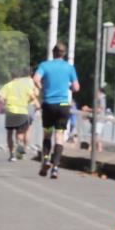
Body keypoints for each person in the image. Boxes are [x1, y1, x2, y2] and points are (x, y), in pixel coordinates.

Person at [33, 43, 80, 179]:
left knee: (47, 134)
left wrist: (42, 87)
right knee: (59, 136)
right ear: (64, 54)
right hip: (64, 105)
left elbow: (36, 79)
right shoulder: (69, 68)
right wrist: (69, 87)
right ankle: (56, 167)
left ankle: (46, 159)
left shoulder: (45, 65)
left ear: (53, 53)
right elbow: (76, 87)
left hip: (48, 104)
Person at [0, 67, 40, 162]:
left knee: (9, 134)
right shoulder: (24, 86)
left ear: (11, 76)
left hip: (10, 112)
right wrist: (36, 105)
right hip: (22, 112)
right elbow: (34, 96)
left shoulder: (7, 85)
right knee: (20, 133)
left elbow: (0, 98)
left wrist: (5, 103)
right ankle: (19, 145)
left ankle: (12, 154)